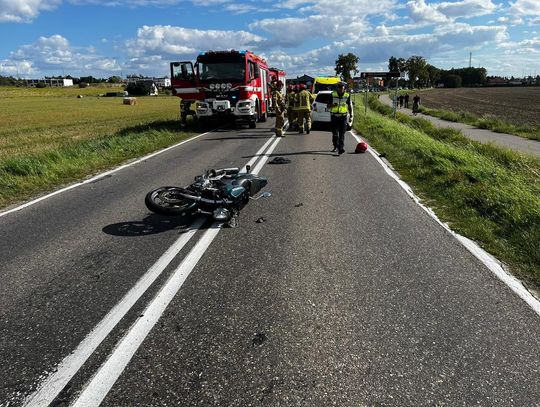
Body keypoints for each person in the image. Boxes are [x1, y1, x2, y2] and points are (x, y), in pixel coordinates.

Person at [328, 81, 353, 155]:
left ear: (344, 88)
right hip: (334, 117)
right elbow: (328, 106)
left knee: (342, 134)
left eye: (342, 88)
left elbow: (349, 106)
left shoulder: (347, 95)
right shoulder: (332, 94)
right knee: (335, 134)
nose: (341, 90)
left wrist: (351, 114)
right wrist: (333, 105)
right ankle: (335, 146)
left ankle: (341, 148)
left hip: (343, 117)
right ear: (337, 88)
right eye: (340, 88)